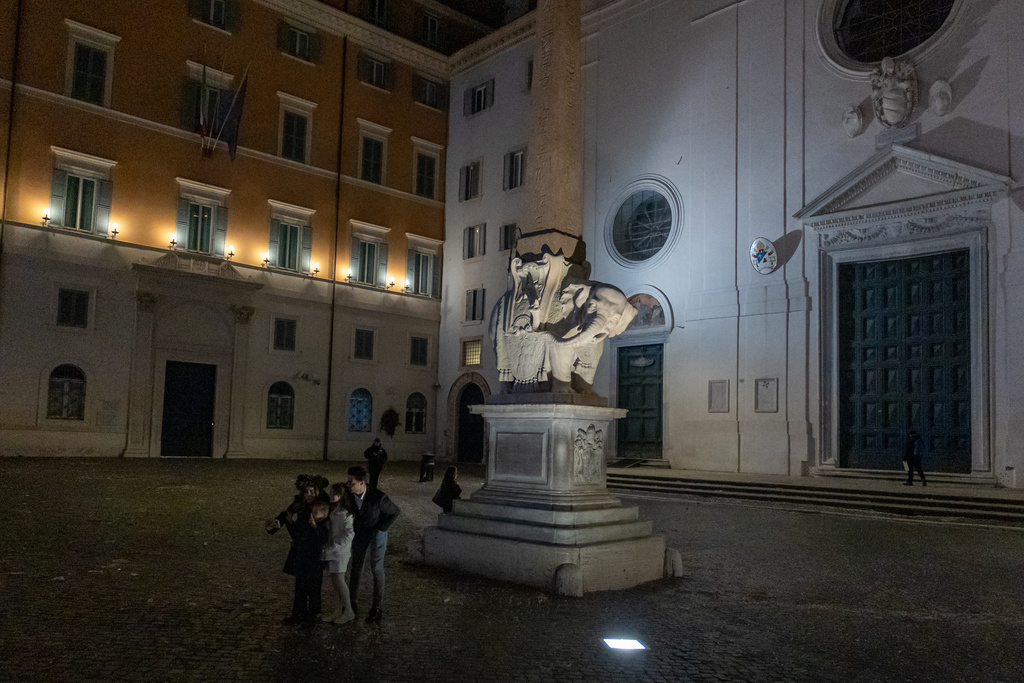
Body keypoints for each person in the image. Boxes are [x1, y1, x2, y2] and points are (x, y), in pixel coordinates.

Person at [266, 474, 330, 626]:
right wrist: (275, 524)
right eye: (306, 491)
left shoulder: (321, 506)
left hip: (313, 551)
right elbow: (285, 515)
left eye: (311, 492)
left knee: (313, 585)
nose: (308, 495)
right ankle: (298, 614)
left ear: (317, 491)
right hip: (301, 550)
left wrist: (292, 524)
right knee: (300, 584)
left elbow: (316, 533)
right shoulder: (298, 503)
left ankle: (313, 615)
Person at [346, 465, 400, 624]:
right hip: (360, 534)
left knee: (377, 568)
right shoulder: (349, 495)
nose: (348, 485)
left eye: (351, 482)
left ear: (362, 483)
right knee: (356, 566)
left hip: (377, 533)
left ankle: (376, 607)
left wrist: (381, 529)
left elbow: (395, 512)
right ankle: (352, 602)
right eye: (348, 482)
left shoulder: (378, 497)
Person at [321, 482, 356, 625]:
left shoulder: (345, 514)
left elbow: (349, 534)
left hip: (340, 553)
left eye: (334, 494)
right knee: (335, 582)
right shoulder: (335, 511)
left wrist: (334, 545)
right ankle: (338, 610)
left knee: (339, 582)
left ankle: (348, 611)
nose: (331, 495)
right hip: (334, 551)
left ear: (341, 496)